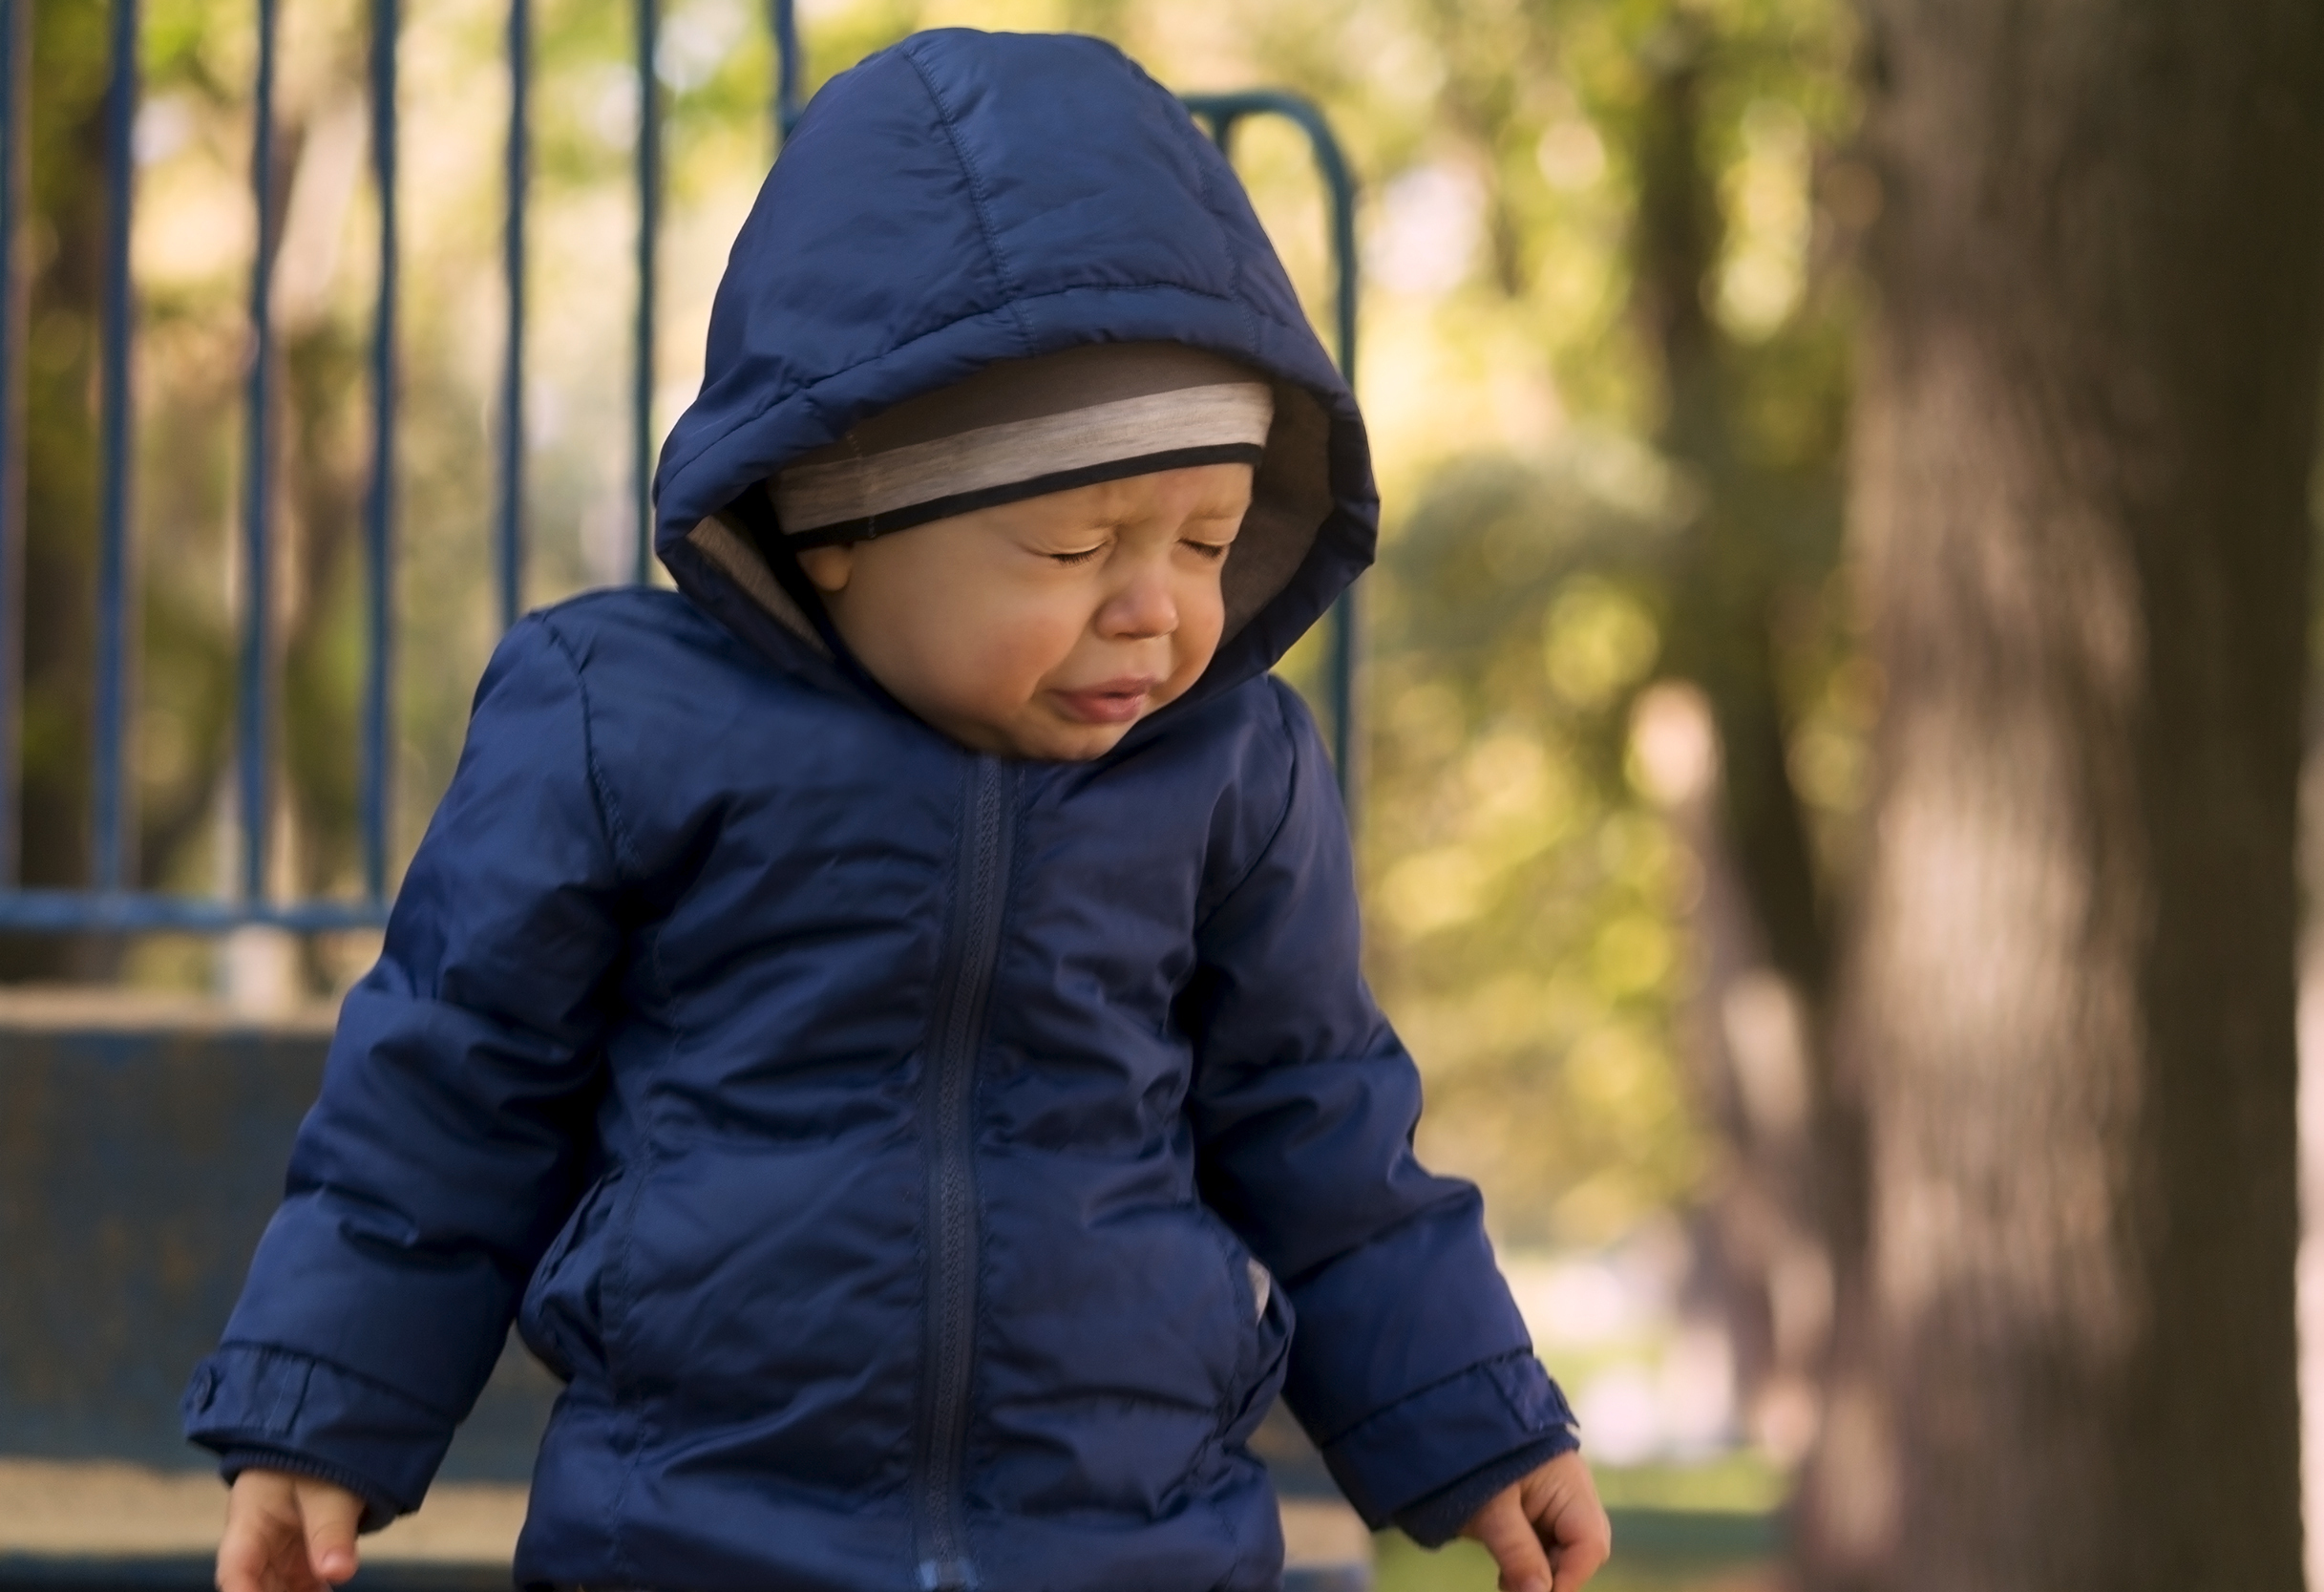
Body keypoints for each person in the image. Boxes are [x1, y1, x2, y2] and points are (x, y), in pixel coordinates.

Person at [185, 29, 1609, 1592]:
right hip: (694, 1531)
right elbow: (448, 1097)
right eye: (1079, 549)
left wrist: (1476, 1422)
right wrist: (322, 1415)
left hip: (1131, 1539)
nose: (1159, 611)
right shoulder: (618, 722)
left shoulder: (1232, 770)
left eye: (1207, 543)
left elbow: (1320, 1122)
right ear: (835, 517)